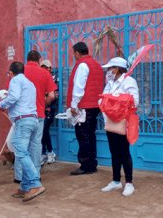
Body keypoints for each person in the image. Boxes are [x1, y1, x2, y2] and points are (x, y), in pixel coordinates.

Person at [0, 61, 45, 202]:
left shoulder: (15, 80)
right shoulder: (29, 83)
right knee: (26, 153)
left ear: (11, 72)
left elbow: (13, 97)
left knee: (20, 151)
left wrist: (2, 104)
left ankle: (35, 184)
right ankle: (25, 186)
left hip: (23, 121)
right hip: (33, 119)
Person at [100, 57, 139, 197]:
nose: (108, 71)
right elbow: (102, 98)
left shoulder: (129, 81)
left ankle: (129, 182)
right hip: (110, 121)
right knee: (114, 152)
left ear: (116, 69)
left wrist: (117, 100)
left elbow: (135, 101)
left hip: (123, 121)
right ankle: (116, 180)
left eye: (110, 68)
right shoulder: (110, 82)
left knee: (124, 152)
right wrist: (108, 103)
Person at [66, 42, 104, 175]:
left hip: (84, 106)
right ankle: (91, 164)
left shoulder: (82, 65)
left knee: (83, 135)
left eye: (74, 53)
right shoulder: (96, 64)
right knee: (90, 135)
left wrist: (74, 105)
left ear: (77, 53)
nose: (74, 56)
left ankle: (85, 165)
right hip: (94, 105)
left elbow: (79, 87)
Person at [23, 51, 57, 176]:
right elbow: (52, 95)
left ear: (27, 59)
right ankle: (35, 173)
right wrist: (43, 104)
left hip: (23, 114)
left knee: (23, 144)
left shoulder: (20, 72)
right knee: (36, 144)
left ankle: (22, 174)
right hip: (39, 113)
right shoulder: (45, 73)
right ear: (39, 60)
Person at [39, 59, 58, 164]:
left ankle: (49, 152)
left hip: (49, 108)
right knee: (41, 131)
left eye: (46, 68)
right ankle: (44, 153)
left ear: (50, 69)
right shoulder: (41, 78)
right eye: (42, 67)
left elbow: (54, 95)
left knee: (43, 130)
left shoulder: (53, 79)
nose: (44, 69)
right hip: (41, 107)